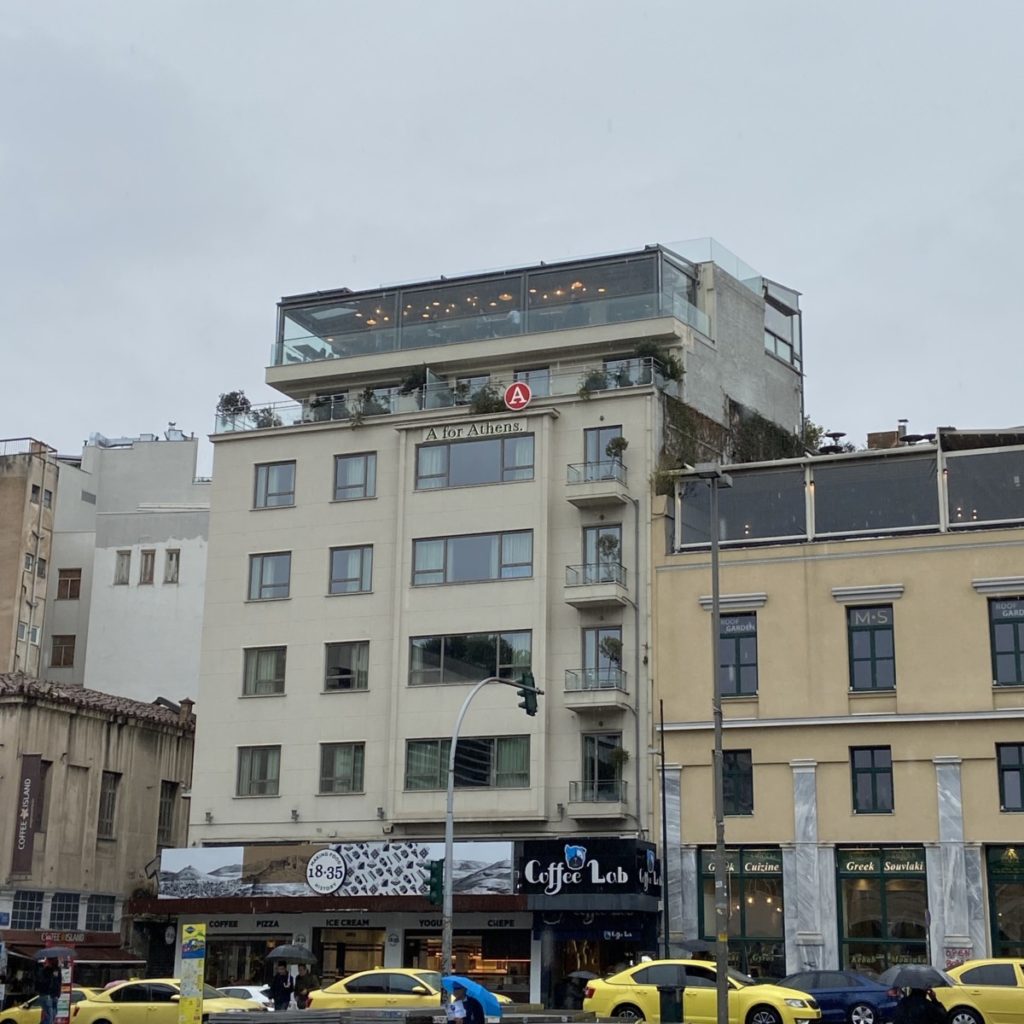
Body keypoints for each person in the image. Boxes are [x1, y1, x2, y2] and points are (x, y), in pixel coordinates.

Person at [35, 958, 61, 1024]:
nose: (45, 961)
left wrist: (58, 994)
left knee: (52, 1016)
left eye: (46, 960)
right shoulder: (44, 970)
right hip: (47, 994)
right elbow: (40, 982)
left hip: (53, 995)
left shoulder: (56, 970)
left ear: (50, 961)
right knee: (49, 1017)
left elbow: (58, 981)